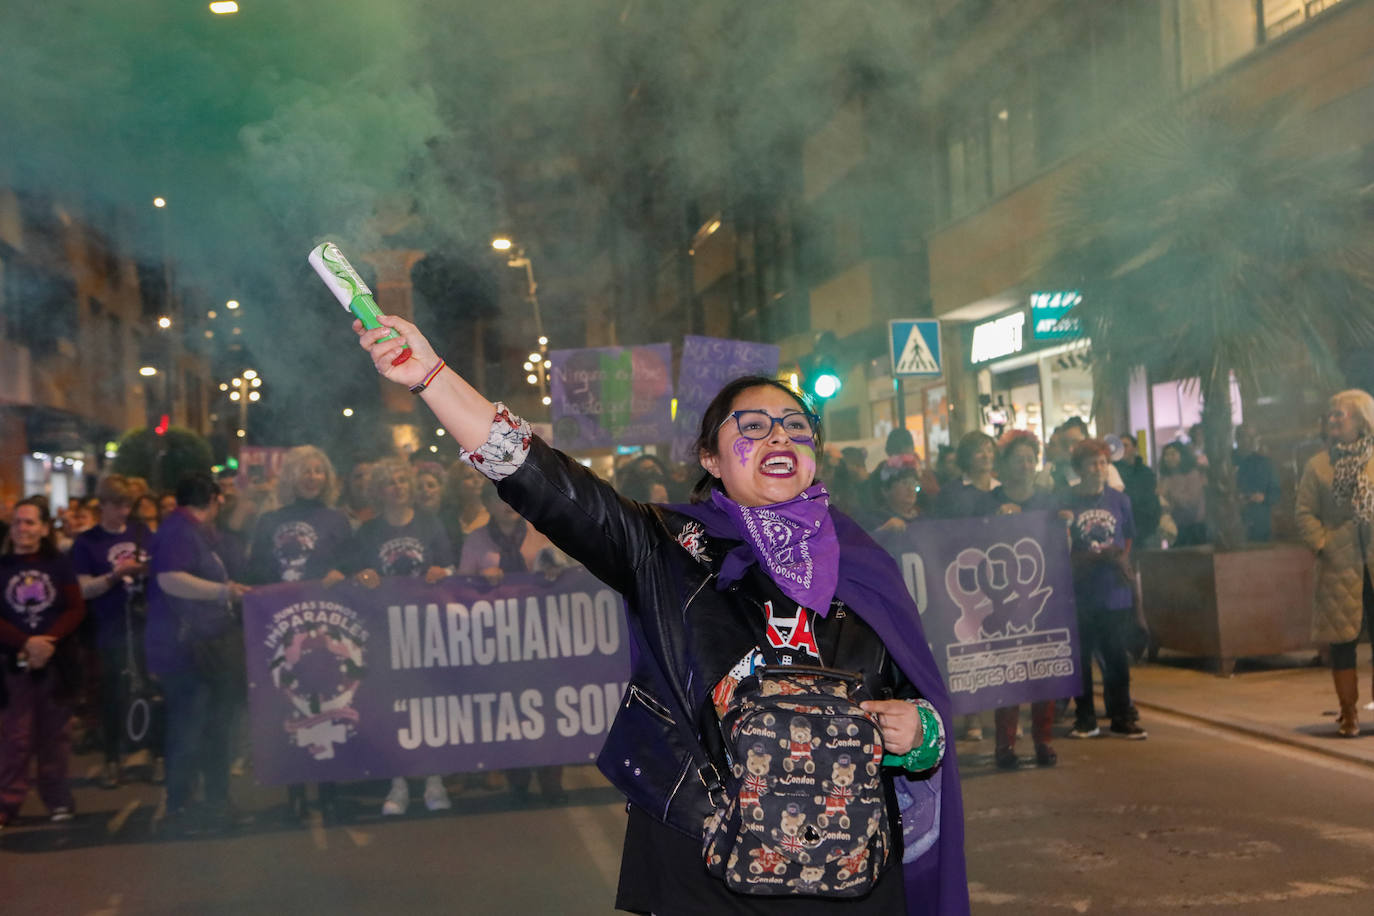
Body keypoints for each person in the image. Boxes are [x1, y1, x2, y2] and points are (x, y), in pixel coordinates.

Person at [355, 314, 967, 914]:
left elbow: (918, 699)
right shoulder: (665, 547)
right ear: (711, 457)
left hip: (849, 870)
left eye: (796, 427)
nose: (780, 437)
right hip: (705, 868)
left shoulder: (864, 562)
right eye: (752, 426)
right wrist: (432, 376)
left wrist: (921, 736)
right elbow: (546, 482)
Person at [246, 446, 352, 823]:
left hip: (326, 626)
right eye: (305, 471)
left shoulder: (337, 519)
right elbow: (255, 571)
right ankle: (293, 788)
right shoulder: (269, 521)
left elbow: (355, 565)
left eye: (318, 471)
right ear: (291, 476)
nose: (312, 477)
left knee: (327, 703)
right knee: (286, 705)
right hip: (279, 627)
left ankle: (328, 788)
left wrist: (344, 574)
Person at [145, 472, 252, 834]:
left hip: (201, 648)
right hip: (187, 650)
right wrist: (223, 593)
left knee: (209, 729)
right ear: (213, 499)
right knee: (191, 731)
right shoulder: (180, 531)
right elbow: (170, 578)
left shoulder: (191, 530)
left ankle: (209, 803)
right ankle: (181, 808)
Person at [348, 458, 454, 816]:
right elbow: (355, 575)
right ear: (379, 491)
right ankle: (398, 782)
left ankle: (433, 778)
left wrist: (444, 571)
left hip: (425, 631)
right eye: (389, 482)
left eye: (402, 480)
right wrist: (362, 576)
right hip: (384, 632)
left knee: (428, 704)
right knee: (393, 707)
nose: (397, 487)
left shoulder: (431, 523)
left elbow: (450, 567)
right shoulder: (367, 532)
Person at [458, 482, 572, 806]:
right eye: (498, 498)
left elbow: (567, 567)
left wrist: (555, 571)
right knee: (508, 710)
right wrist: (480, 580)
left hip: (542, 639)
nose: (508, 503)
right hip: (498, 644)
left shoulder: (541, 532)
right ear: (488, 506)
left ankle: (552, 780)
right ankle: (517, 781)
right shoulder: (476, 540)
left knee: (547, 708)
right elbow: (459, 586)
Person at [0, 498, 86, 829]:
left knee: (55, 736)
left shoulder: (59, 565)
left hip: (54, 661)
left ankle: (58, 800)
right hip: (13, 662)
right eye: (18, 522)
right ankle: (8, 803)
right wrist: (25, 643)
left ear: (45, 528)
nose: (23, 529)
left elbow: (74, 608)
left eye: (31, 523)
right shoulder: (3, 566)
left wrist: (47, 641)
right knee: (15, 737)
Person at [1295, 390, 1374, 738]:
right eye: (1331, 416)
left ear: (1361, 420)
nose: (1333, 421)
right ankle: (1349, 713)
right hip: (1340, 565)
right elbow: (1304, 512)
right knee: (1343, 643)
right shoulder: (1318, 465)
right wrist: (1322, 542)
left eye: (1340, 416)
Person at [1061, 439, 1145, 741]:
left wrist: (1120, 561)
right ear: (1079, 469)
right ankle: (1086, 718)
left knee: (1116, 658)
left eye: (1102, 463)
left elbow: (1129, 539)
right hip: (1081, 594)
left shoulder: (1120, 500)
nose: (1098, 469)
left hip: (1114, 593)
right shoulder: (1068, 501)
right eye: (1092, 464)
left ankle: (1122, 715)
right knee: (1081, 660)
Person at [72, 475, 152, 788]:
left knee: (148, 688)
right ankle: (111, 757)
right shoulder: (87, 542)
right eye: (117, 505)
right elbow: (82, 589)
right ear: (102, 505)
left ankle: (150, 753)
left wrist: (146, 570)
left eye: (127, 505)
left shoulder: (142, 533)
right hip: (108, 627)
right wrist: (115, 575)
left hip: (142, 623)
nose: (123, 511)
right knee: (111, 694)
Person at [989, 431, 1059, 768]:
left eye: (1031, 459)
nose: (1026, 465)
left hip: (1043, 595)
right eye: (1019, 459)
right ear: (1005, 465)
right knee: (1009, 672)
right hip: (1004, 598)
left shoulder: (1048, 500)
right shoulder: (992, 501)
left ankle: (1043, 740)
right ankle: (1006, 745)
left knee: (1042, 670)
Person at [1235, 424, 1281, 543]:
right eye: (1245, 437)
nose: (1250, 441)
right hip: (1233, 524)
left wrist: (1263, 498)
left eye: (1253, 437)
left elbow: (1275, 492)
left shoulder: (1265, 464)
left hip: (1260, 525)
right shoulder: (1227, 463)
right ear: (1237, 439)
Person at [1114, 434, 1161, 546]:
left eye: (1125, 445)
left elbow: (1152, 498)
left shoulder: (1146, 472)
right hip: (1124, 528)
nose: (1122, 449)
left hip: (1146, 527)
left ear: (1135, 448)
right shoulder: (1113, 472)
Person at [1158, 442, 1207, 546]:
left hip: (1193, 528)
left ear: (1182, 455)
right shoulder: (1165, 478)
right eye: (1166, 455)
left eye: (1173, 454)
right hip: (1173, 528)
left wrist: (1171, 494)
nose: (1169, 458)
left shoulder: (1192, 474)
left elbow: (1192, 502)